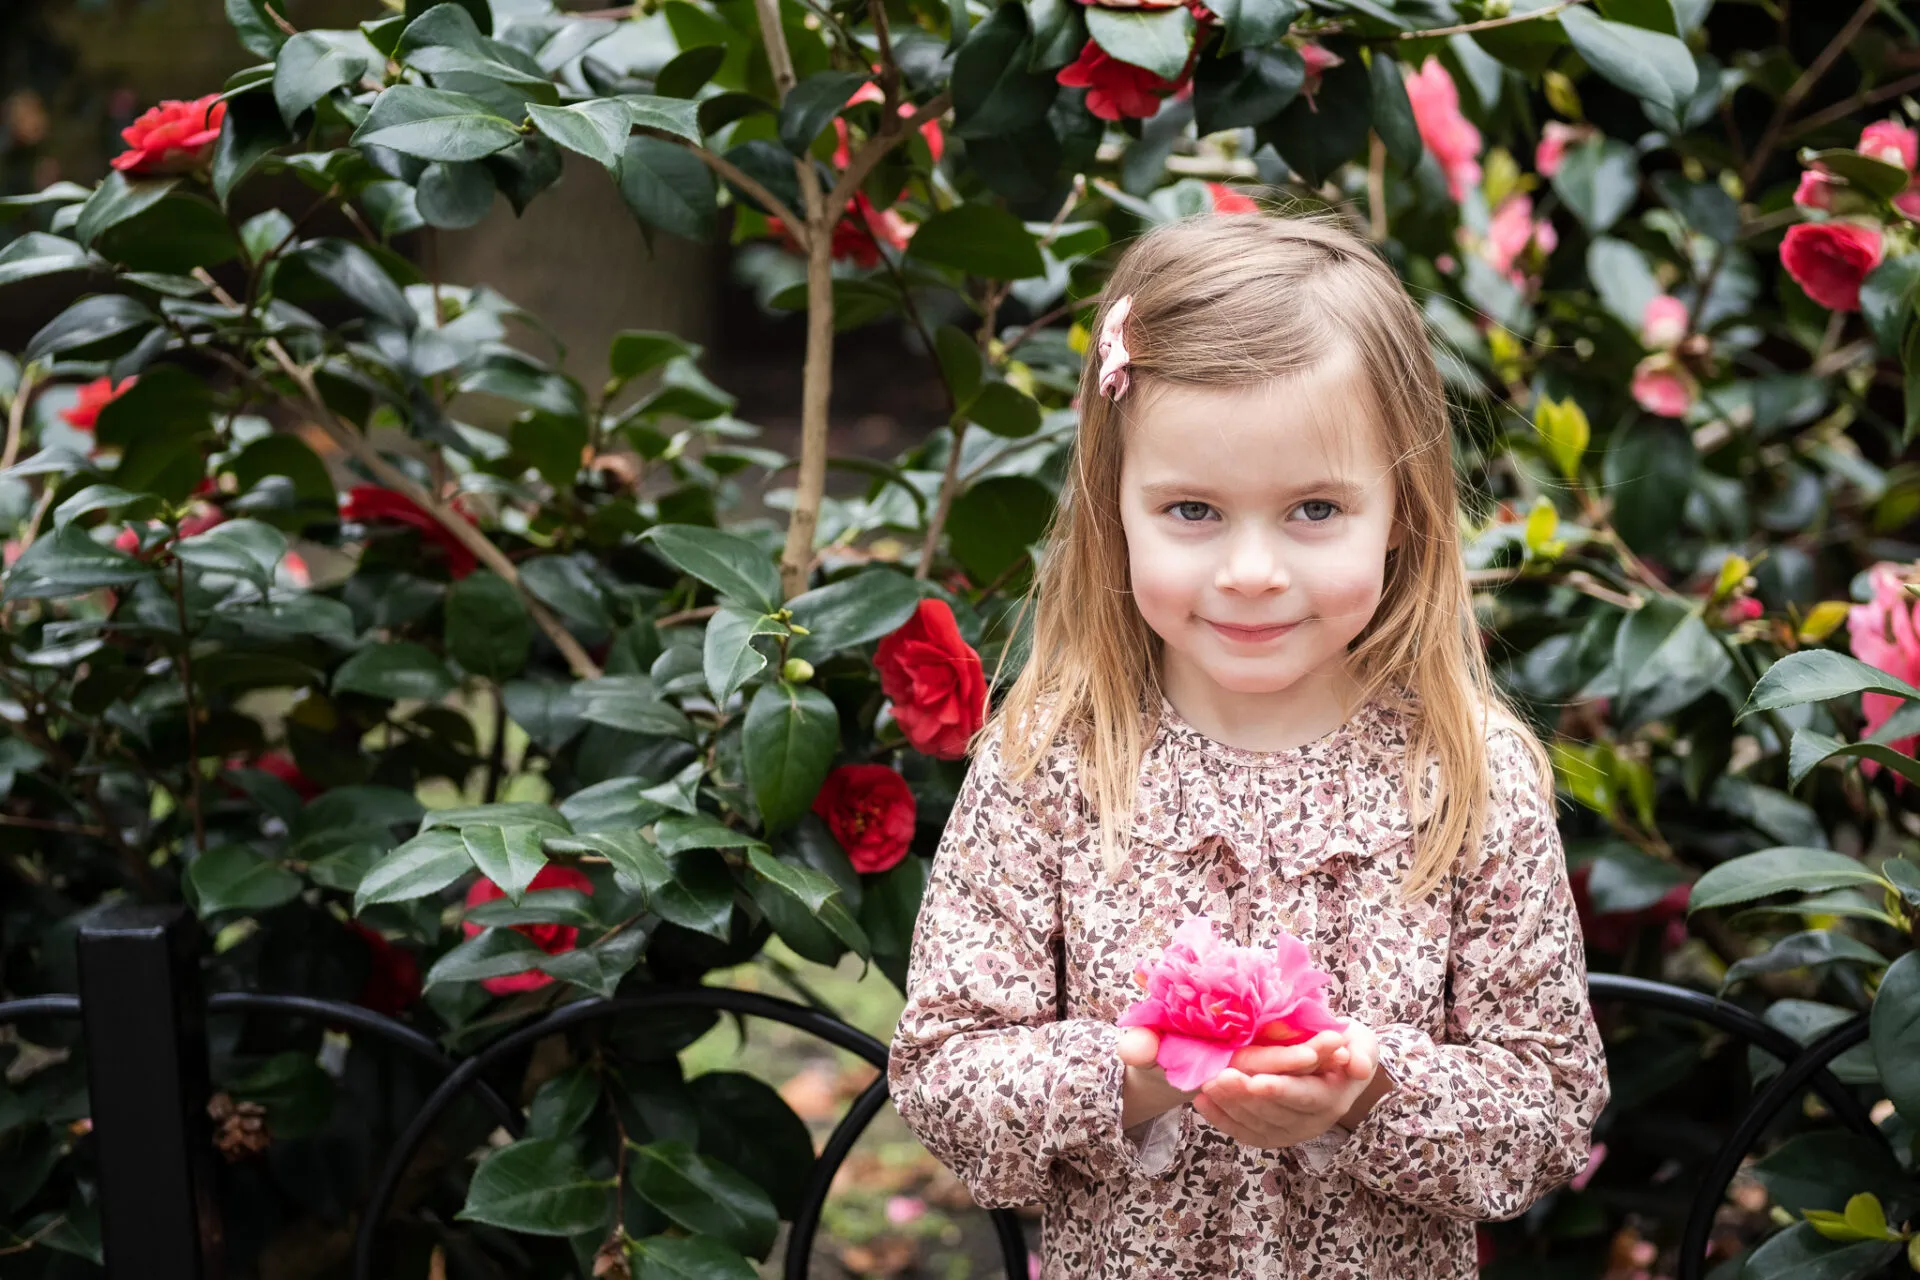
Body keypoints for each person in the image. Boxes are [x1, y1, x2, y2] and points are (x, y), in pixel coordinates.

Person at [887, 213, 1610, 1279]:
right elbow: (947, 1075)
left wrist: (1368, 1088)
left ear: (1402, 511)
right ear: (1115, 510)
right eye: (1192, 508)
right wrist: (1137, 1069)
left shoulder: (1464, 777)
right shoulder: (1052, 765)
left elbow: (1548, 1107)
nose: (1253, 569)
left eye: (1315, 507)